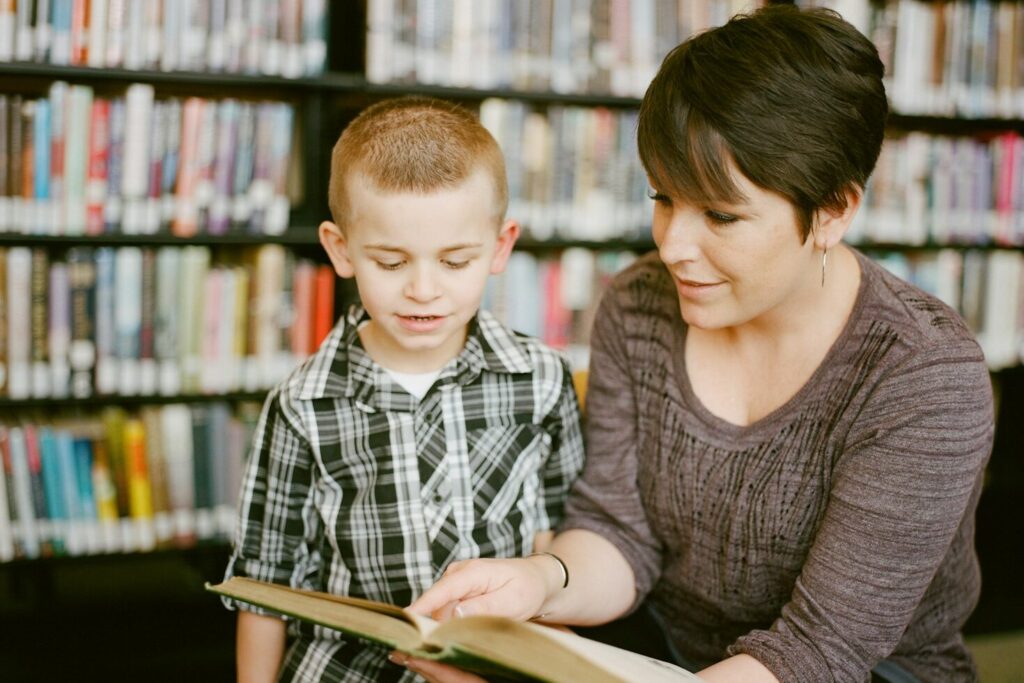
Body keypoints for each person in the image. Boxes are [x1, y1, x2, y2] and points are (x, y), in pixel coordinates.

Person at [401, 6, 994, 683]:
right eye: (664, 198)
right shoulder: (639, 304)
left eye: (719, 214)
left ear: (833, 211)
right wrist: (539, 581)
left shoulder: (923, 374)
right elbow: (618, 533)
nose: (673, 246)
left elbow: (819, 652)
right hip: (666, 656)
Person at [222, 96, 585, 682]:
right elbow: (264, 583)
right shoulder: (301, 405)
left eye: (454, 261)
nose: (423, 289)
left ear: (500, 247)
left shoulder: (542, 378)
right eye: (391, 263)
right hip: (347, 670)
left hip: (494, 667)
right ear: (341, 250)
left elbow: (561, 532)